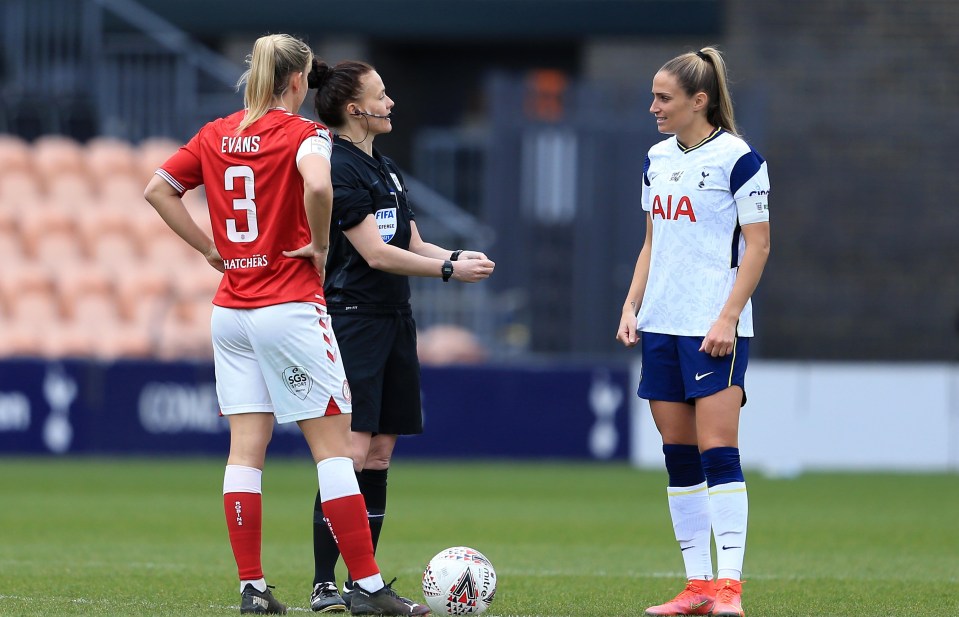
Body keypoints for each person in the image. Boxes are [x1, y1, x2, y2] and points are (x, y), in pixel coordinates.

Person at [144, 34, 428, 617]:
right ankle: (368, 587)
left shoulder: (215, 133)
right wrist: (319, 246)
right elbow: (319, 184)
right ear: (298, 81)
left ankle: (253, 588)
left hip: (231, 311)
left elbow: (158, 189)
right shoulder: (305, 134)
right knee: (333, 452)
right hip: (289, 308)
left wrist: (208, 250)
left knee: (245, 453)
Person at [306, 59, 495, 613]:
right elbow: (375, 254)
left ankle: (361, 584)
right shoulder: (339, 168)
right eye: (381, 95)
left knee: (382, 453)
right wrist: (445, 272)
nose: (390, 103)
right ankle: (325, 583)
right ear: (353, 108)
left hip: (394, 318)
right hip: (355, 319)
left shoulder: (384, 166)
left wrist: (456, 257)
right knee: (352, 450)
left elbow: (410, 238)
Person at [616, 46, 770, 617]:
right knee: (678, 456)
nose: (653, 106)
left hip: (714, 329)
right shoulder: (656, 158)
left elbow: (759, 245)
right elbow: (653, 242)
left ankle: (730, 587)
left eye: (664, 97)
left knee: (718, 452)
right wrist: (632, 305)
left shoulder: (740, 159)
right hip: (661, 324)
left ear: (698, 101)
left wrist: (728, 316)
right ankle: (697, 586)